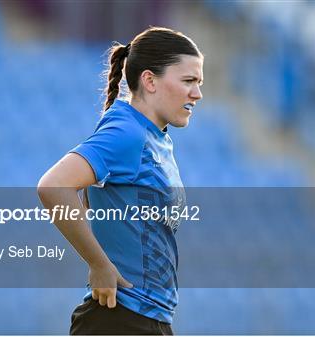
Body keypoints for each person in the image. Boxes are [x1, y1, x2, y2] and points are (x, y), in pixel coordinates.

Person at [37, 26, 204, 335]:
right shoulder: (128, 133)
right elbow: (53, 186)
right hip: (119, 319)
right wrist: (99, 264)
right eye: (188, 81)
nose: (197, 93)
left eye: (199, 82)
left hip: (146, 319)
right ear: (150, 80)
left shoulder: (157, 138)